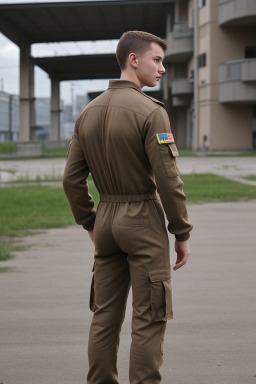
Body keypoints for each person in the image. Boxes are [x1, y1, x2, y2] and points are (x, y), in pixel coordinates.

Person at [63, 30, 193, 384]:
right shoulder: (151, 112)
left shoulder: (87, 113)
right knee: (150, 317)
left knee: (104, 317)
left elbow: (71, 181)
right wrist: (180, 231)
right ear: (133, 60)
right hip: (142, 221)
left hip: (105, 221)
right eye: (157, 59)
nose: (162, 68)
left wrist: (91, 222)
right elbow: (168, 180)